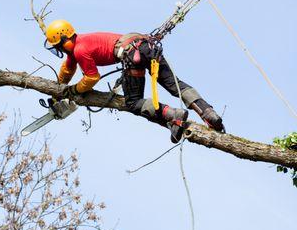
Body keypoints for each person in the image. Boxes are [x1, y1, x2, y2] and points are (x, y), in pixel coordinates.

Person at [44, 19, 224, 142]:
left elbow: (92, 78)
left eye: (59, 46)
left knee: (133, 102)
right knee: (173, 84)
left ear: (65, 39)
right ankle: (208, 113)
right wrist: (57, 91)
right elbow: (67, 69)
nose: (60, 50)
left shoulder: (80, 50)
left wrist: (73, 90)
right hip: (146, 46)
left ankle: (173, 115)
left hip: (132, 57)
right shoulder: (81, 43)